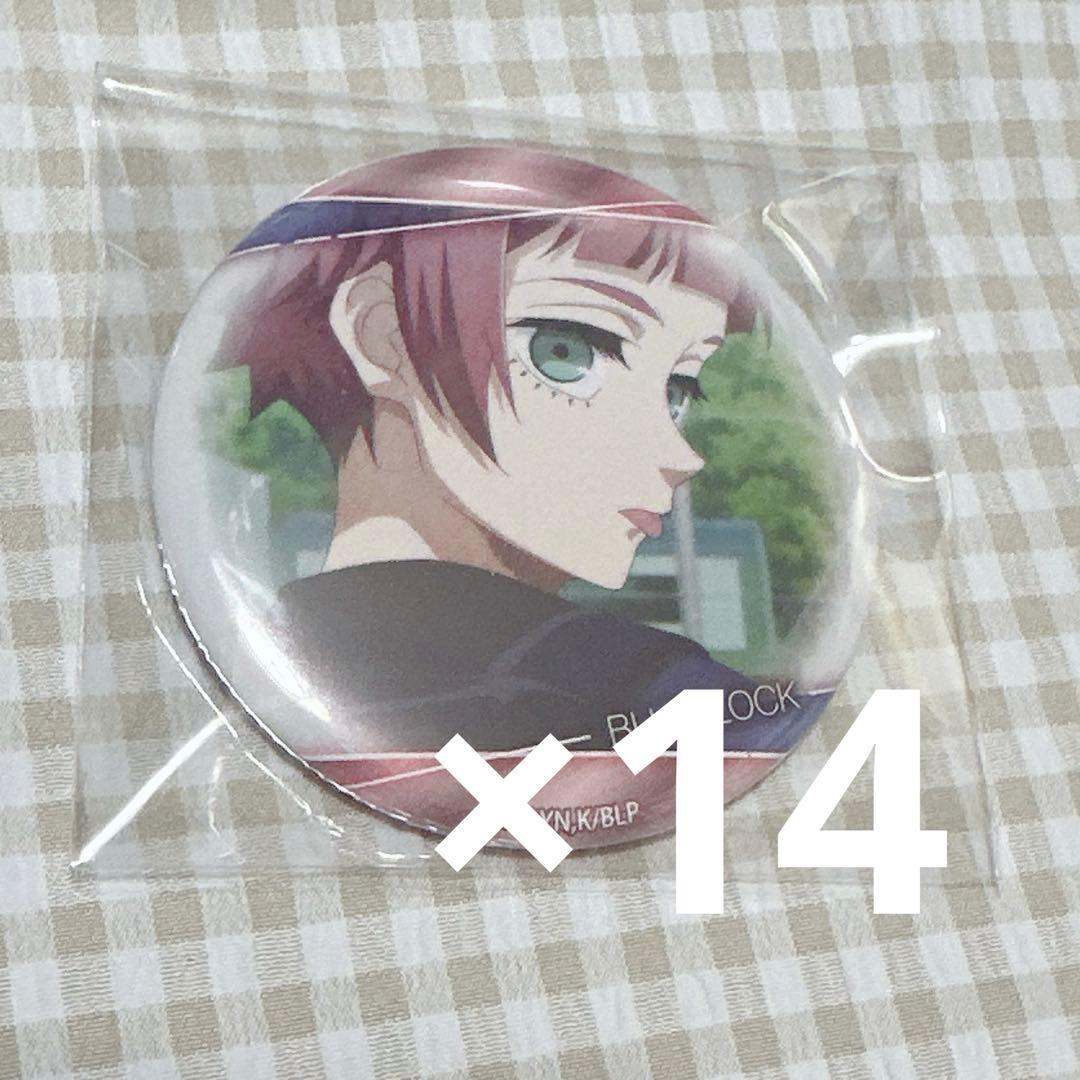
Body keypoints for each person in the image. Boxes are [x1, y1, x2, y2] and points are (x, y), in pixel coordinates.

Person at [215, 146, 832, 821]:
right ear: (380, 334)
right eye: (566, 353)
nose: (678, 452)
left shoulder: (267, 646)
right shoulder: (645, 692)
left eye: (678, 390)